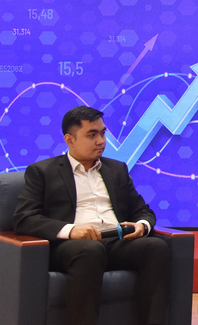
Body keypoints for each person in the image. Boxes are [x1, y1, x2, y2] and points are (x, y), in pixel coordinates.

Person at [13, 106, 170, 325]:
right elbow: (25, 218)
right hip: (72, 247)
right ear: (70, 140)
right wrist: (71, 230)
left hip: (116, 241)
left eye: (103, 133)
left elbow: (142, 210)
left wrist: (142, 225)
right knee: (89, 250)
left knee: (156, 247)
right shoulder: (43, 171)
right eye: (92, 135)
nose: (101, 141)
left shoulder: (117, 170)